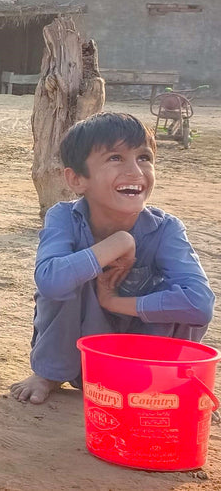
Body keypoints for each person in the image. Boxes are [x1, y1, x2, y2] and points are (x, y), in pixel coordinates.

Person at [11, 112, 214, 404]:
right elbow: (51, 282)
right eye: (115, 158)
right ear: (77, 179)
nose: (135, 171)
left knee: (179, 298)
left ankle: (176, 383)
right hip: (83, 362)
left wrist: (114, 302)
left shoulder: (166, 229)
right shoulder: (64, 217)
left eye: (144, 157)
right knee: (64, 277)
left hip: (146, 370)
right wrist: (119, 242)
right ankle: (49, 374)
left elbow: (199, 304)